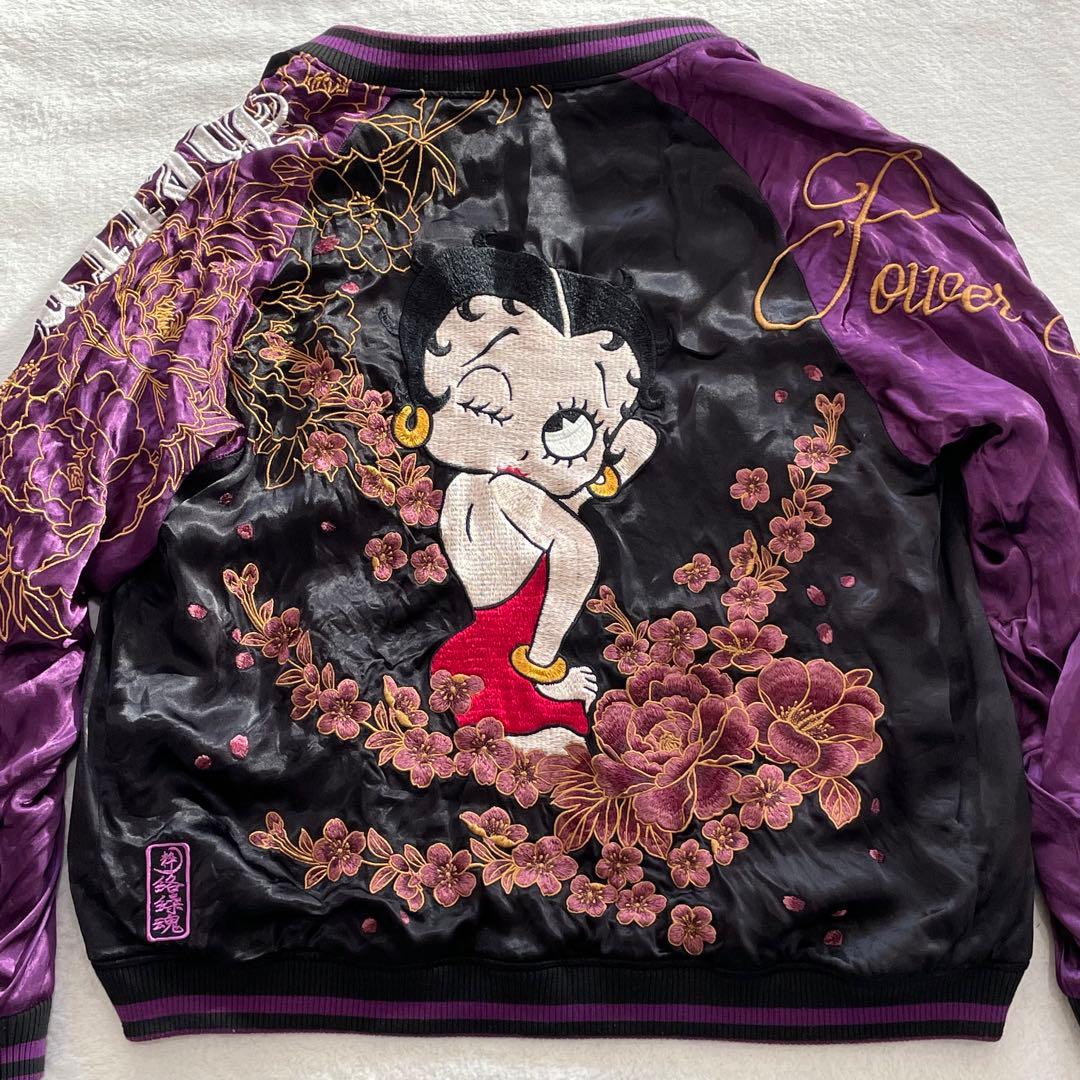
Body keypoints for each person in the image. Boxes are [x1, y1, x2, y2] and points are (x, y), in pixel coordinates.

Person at [392, 243, 659, 752]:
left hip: (472, 667)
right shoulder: (505, 487)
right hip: (509, 679)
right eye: (487, 406)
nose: (521, 446)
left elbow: (554, 513)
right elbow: (575, 548)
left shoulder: (478, 488)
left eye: (568, 428)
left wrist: (617, 466)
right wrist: (544, 666)